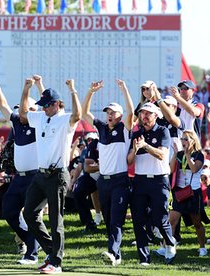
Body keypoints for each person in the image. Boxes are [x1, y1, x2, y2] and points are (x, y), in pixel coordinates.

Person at [20, 78, 81, 274]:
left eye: (47, 105)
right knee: (28, 213)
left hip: (58, 175)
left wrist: (72, 90)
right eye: (42, 105)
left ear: (56, 104)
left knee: (56, 220)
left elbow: (78, 115)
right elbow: (23, 114)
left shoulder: (64, 119)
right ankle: (50, 252)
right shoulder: (41, 117)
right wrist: (26, 89)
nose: (43, 108)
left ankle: (56, 263)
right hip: (41, 175)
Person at [0, 73, 41, 264]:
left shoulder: (40, 123)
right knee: (9, 210)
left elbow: (50, 108)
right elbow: (2, 105)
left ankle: (32, 254)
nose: (21, 112)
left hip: (35, 178)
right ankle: (31, 241)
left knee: (30, 214)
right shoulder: (17, 123)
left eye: (25, 109)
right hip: (19, 178)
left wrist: (30, 88)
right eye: (20, 109)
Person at [82, 79, 134, 266]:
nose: (109, 115)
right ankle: (116, 254)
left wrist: (124, 89)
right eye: (107, 112)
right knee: (108, 219)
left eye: (113, 112)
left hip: (120, 180)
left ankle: (113, 252)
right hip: (103, 181)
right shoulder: (102, 128)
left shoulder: (125, 129)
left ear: (119, 116)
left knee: (116, 219)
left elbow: (131, 112)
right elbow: (84, 113)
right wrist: (90, 92)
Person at [127, 102, 176, 265]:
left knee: (160, 217)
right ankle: (144, 257)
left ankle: (170, 243)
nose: (144, 116)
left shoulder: (163, 131)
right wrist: (135, 149)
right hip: (140, 180)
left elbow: (162, 155)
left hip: (159, 179)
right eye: (142, 113)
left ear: (156, 115)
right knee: (138, 219)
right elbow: (129, 161)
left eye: (148, 113)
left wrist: (145, 146)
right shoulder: (136, 134)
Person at [169, 130, 206, 256]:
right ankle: (167, 247)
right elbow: (170, 169)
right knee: (172, 220)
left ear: (193, 141)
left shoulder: (198, 155)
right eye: (182, 139)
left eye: (186, 139)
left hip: (193, 193)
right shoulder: (179, 154)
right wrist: (175, 155)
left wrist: (188, 156)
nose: (183, 141)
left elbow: (195, 169)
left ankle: (202, 247)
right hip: (179, 192)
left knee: (197, 222)